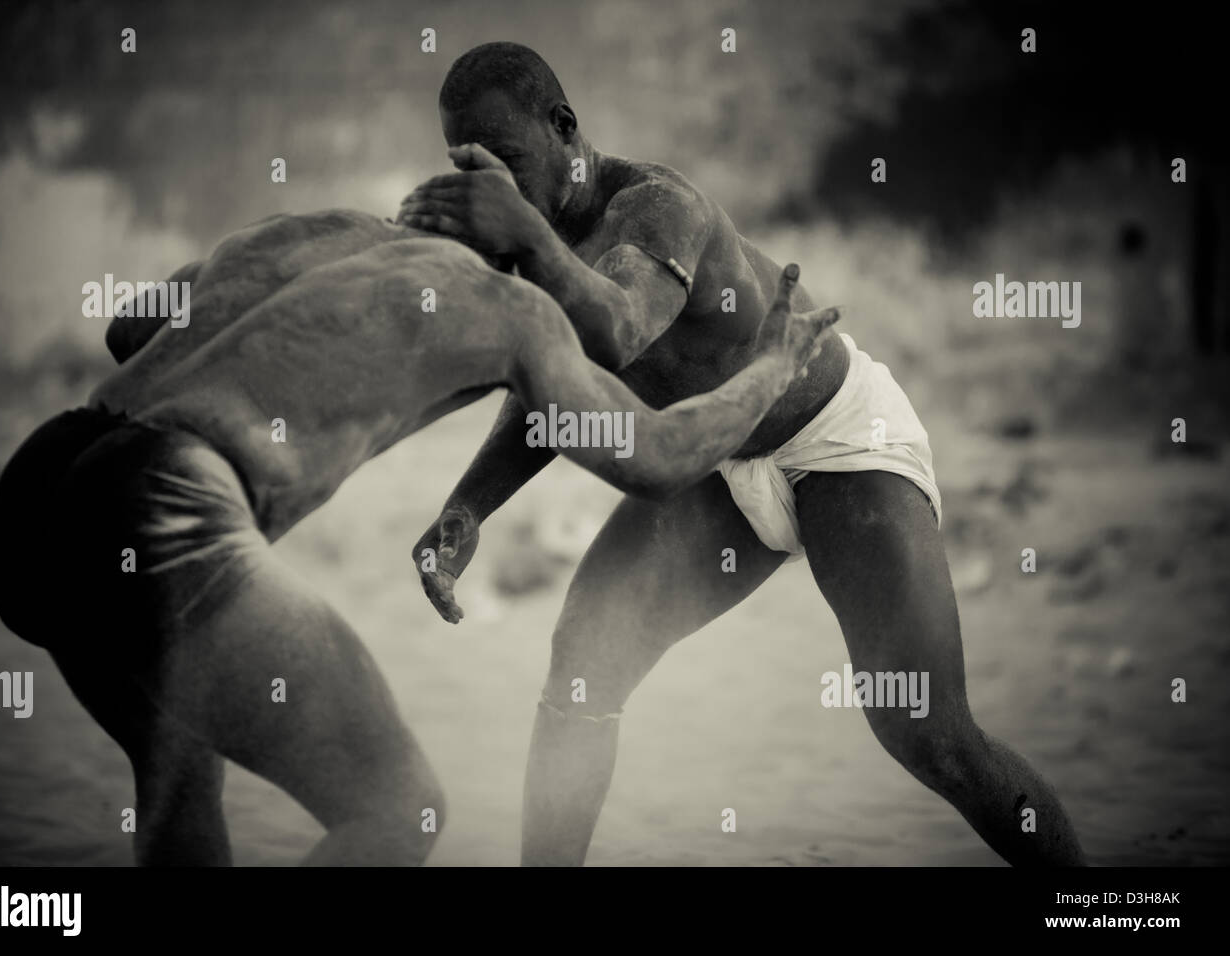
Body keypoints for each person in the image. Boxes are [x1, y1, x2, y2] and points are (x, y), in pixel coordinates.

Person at [401, 42, 1085, 866]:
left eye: (507, 158)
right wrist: (465, 509)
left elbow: (614, 330)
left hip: (839, 442)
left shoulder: (654, 208)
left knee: (929, 735)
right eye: (475, 167)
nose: (495, 185)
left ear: (564, 127)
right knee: (582, 671)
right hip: (719, 460)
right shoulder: (533, 241)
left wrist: (522, 243)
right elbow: (552, 380)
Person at [0, 207, 836, 865]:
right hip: (166, 499)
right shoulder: (512, 308)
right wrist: (768, 367)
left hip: (46, 478)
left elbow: (128, 329)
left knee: (177, 756)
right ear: (533, 246)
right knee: (398, 807)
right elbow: (656, 460)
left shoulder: (310, 230)